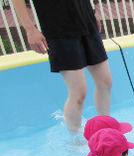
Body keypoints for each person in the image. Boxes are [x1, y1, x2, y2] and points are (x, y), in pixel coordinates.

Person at [12, 0, 112, 133]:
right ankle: (75, 141)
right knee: (78, 92)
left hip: (86, 20)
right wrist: (30, 29)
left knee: (105, 82)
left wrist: (91, 11)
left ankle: (106, 132)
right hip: (58, 28)